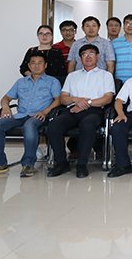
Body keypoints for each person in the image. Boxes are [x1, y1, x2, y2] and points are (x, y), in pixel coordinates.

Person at [0, 52, 61, 178]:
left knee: (29, 125)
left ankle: (28, 164)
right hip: (21, 115)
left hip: (40, 116)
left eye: (40, 63)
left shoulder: (53, 82)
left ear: (45, 65)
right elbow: (6, 98)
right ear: (29, 66)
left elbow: (58, 100)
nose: (36, 66)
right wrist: (5, 107)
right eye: (33, 63)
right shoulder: (20, 82)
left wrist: (45, 111)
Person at [47, 44, 115, 178]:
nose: (88, 57)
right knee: (54, 125)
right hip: (72, 110)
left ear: (97, 57)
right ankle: (61, 163)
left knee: (87, 125)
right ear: (80, 58)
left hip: (94, 111)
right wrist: (76, 100)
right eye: (84, 54)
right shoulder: (72, 76)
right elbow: (63, 99)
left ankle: (82, 164)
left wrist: (86, 103)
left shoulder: (106, 75)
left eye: (91, 53)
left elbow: (107, 99)